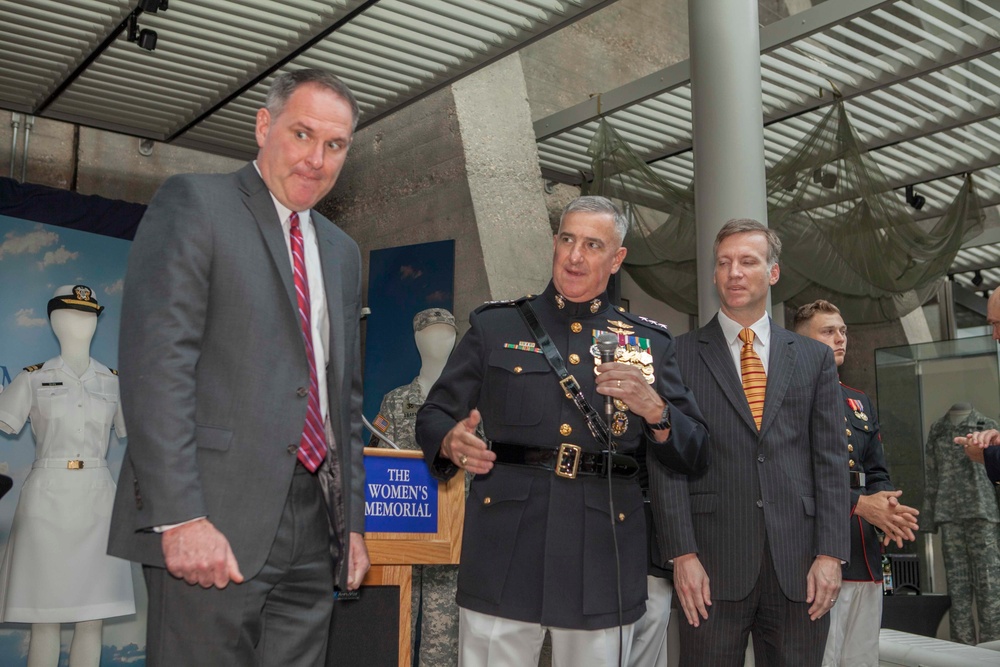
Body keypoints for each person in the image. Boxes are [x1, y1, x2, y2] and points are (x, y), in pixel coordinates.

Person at [107, 69, 369, 667]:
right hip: (212, 516)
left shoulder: (343, 252)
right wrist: (180, 516)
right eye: (302, 134)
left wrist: (349, 525)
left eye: (335, 145)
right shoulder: (196, 203)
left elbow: (343, 403)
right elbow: (157, 370)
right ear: (263, 125)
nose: (316, 159)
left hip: (314, 524)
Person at [415, 195, 709, 666]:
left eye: (593, 245)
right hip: (506, 544)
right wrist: (449, 440)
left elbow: (695, 450)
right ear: (554, 243)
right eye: (568, 239)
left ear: (616, 260)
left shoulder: (647, 343)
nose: (575, 255)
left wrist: (656, 410)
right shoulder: (497, 326)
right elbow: (433, 414)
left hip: (602, 551)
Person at [650, 218, 849, 667]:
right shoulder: (676, 355)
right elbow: (667, 463)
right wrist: (682, 554)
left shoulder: (813, 358)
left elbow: (831, 462)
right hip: (709, 566)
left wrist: (831, 554)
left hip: (801, 567)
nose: (734, 272)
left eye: (747, 261)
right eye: (724, 263)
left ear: (773, 273)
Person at [0, 285, 134, 667]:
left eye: (90, 314)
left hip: (98, 500)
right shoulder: (33, 378)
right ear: (55, 320)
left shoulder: (114, 381)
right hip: (46, 501)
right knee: (46, 617)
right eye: (74, 314)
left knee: (92, 618)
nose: (84, 322)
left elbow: (128, 432)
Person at [792, 299, 919, 667]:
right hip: (816, 553)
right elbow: (795, 477)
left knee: (862, 659)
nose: (840, 338)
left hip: (864, 551)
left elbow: (876, 471)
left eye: (843, 331)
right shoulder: (789, 398)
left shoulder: (858, 401)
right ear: (803, 342)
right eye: (828, 331)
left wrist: (888, 511)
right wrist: (861, 504)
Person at [370, 307, 461, 666]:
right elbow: (378, 458)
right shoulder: (395, 399)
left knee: (446, 624)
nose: (439, 341)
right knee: (396, 618)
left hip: (450, 524)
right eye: (430, 333)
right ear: (417, 340)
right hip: (403, 523)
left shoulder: (467, 400)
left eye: (447, 333)